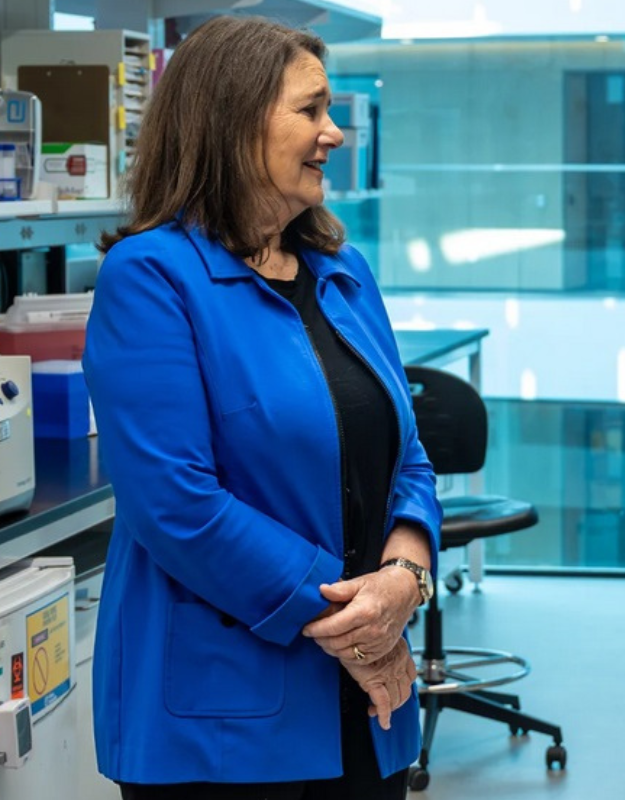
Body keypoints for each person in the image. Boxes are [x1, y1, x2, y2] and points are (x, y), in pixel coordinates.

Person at [83, 16, 441, 799]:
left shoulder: (341, 270)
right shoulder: (152, 278)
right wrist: (363, 629)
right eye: (311, 111)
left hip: (368, 708)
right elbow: (175, 504)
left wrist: (404, 579)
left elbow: (406, 455)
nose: (335, 133)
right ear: (235, 121)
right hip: (224, 723)